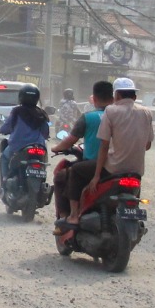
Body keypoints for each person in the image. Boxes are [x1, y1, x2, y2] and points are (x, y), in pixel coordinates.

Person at [58, 76, 151, 233]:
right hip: (136, 171)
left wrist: (96, 175)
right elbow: (147, 145)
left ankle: (73, 215)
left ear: (117, 96)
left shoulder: (111, 110)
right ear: (134, 96)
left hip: (113, 168)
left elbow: (104, 145)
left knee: (75, 170)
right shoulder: (146, 112)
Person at [52, 80, 111, 222]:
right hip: (120, 164)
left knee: (64, 175)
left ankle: (70, 215)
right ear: (113, 98)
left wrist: (56, 148)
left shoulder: (89, 117)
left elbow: (71, 139)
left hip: (94, 164)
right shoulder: (121, 116)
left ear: (94, 99)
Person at [0, 84, 50, 187]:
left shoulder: (17, 111)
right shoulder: (41, 113)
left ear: (21, 97)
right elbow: (45, 132)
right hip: (38, 146)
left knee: (4, 157)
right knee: (43, 162)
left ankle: (4, 181)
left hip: (18, 146)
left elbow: (7, 126)